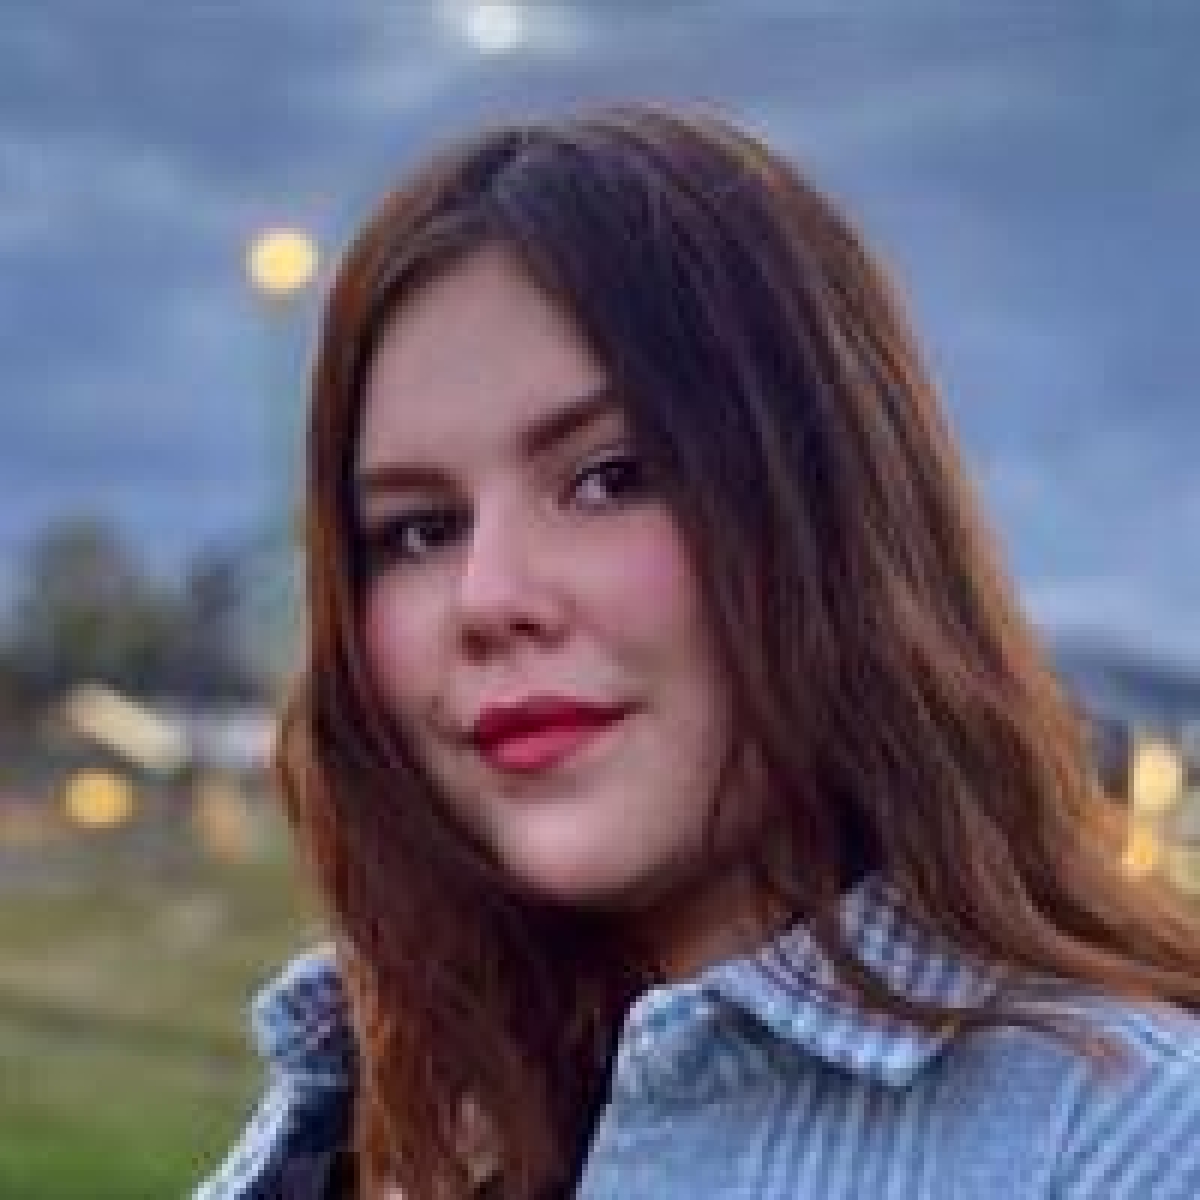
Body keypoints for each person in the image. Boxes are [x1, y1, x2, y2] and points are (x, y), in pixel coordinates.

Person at [196, 106, 1200, 1199]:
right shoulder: (363, 1105)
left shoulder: (1124, 1143)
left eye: (611, 478)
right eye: (419, 530)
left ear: (839, 511)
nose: (488, 600)